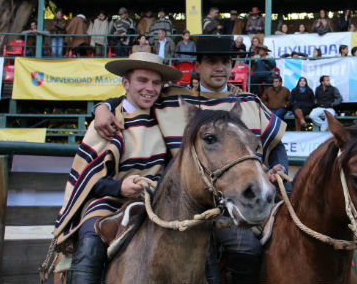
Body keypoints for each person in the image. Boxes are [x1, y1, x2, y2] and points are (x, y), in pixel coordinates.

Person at [91, 35, 288, 284]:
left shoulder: (249, 102)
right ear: (196, 67)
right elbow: (132, 99)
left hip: (238, 200)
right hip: (183, 205)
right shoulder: (172, 100)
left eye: (226, 62)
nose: (220, 68)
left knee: (248, 250)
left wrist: (278, 166)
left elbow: (277, 143)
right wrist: (101, 108)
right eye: (211, 61)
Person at [52, 52, 182, 284]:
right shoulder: (107, 122)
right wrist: (119, 187)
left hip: (160, 199)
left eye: (155, 83)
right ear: (125, 83)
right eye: (142, 80)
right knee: (92, 238)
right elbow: (87, 179)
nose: (150, 88)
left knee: (203, 241)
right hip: (110, 201)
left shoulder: (168, 115)